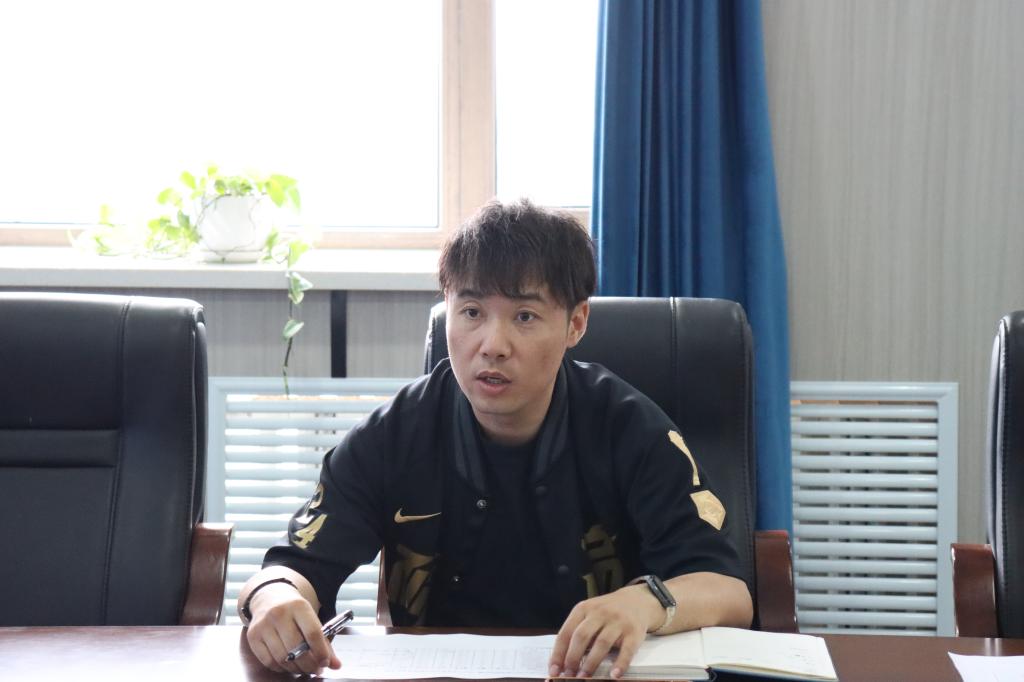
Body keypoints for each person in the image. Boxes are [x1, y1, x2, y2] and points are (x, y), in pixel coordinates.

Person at [238, 199, 753, 677]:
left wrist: (645, 603)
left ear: (576, 323)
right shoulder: (397, 431)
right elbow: (291, 568)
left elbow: (728, 591)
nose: (492, 345)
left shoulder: (630, 427)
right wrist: (275, 599)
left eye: (524, 316)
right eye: (471, 313)